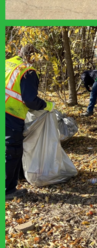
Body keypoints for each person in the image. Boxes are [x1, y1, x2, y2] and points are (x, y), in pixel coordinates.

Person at [5, 44, 55, 200]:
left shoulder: (7, 63)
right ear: (33, 57)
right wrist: (47, 105)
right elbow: (30, 100)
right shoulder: (27, 71)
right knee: (12, 150)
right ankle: (8, 190)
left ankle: (16, 176)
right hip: (10, 113)